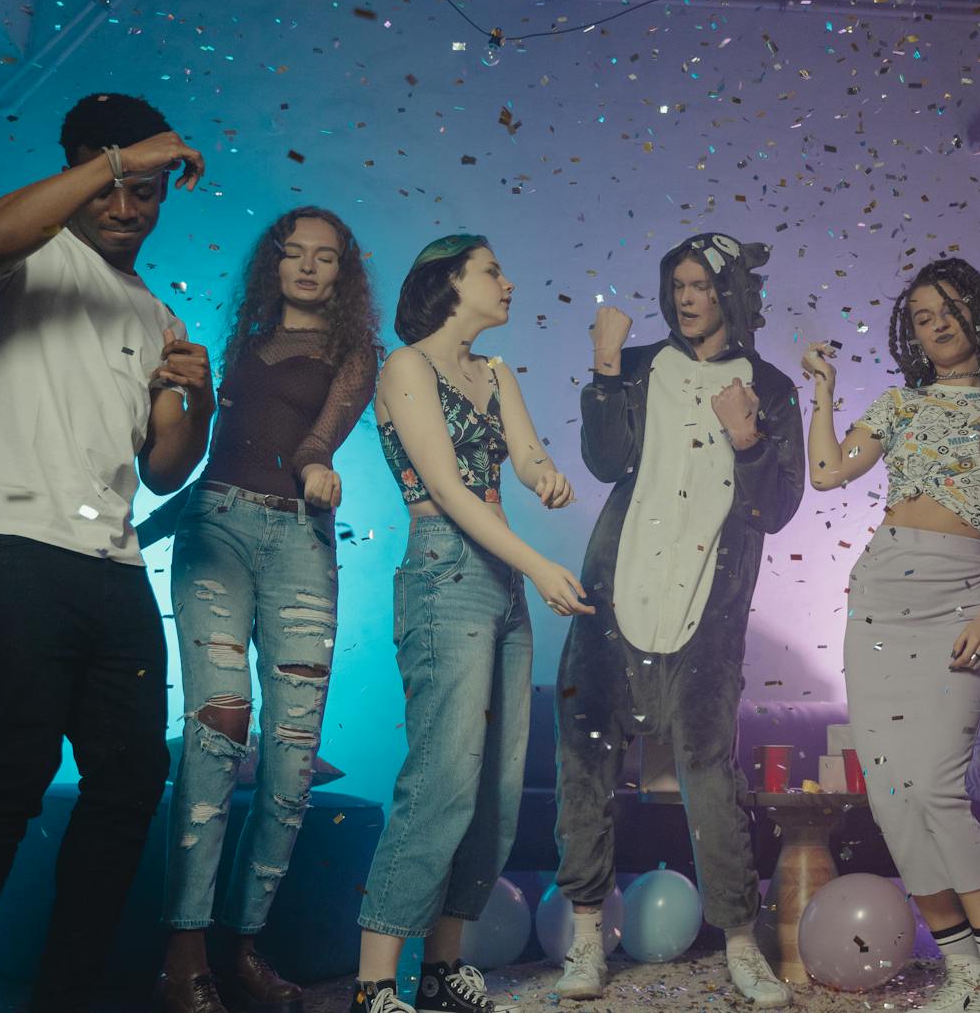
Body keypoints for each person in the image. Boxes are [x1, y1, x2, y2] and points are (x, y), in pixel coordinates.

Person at [0, 92, 211, 1012]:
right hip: (3, 542)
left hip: (111, 565)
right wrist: (122, 158)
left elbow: (164, 471)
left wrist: (194, 400)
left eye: (149, 193)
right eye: (114, 186)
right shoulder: (27, 253)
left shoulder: (155, 311)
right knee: (9, 772)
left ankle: (66, 997)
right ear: (80, 172)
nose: (128, 209)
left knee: (129, 783)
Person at [804, 258, 980, 1013]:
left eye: (951, 308)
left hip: (958, 604)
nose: (939, 324)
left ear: (977, 314)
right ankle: (964, 973)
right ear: (913, 334)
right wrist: (823, 395)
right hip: (879, 602)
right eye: (924, 316)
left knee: (935, 788)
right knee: (892, 796)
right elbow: (826, 472)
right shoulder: (897, 404)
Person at [552, 234, 805, 1007]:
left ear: (730, 293)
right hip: (614, 596)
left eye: (701, 285)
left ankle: (740, 942)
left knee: (708, 772)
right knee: (587, 761)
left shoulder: (769, 386)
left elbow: (777, 507)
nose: (688, 298)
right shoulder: (639, 367)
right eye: (678, 285)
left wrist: (748, 436)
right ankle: (586, 940)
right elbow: (602, 461)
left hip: (707, 608)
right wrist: (603, 368)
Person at [352, 234, 589, 1013]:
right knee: (442, 779)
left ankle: (443, 966)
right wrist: (537, 562)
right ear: (449, 281)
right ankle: (374, 983)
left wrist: (546, 476)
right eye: (493, 269)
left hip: (500, 584)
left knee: (496, 787)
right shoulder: (405, 367)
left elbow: (522, 457)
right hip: (446, 570)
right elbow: (450, 490)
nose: (509, 280)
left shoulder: (496, 371)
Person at [157, 207, 382, 1013]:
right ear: (274, 264)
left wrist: (318, 467)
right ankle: (183, 958)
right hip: (214, 528)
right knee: (218, 732)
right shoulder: (241, 344)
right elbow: (218, 445)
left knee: (290, 761)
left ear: (343, 275)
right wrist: (155, 513)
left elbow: (322, 436)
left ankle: (240, 946)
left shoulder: (356, 354)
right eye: (296, 255)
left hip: (300, 542)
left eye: (327, 258)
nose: (309, 268)